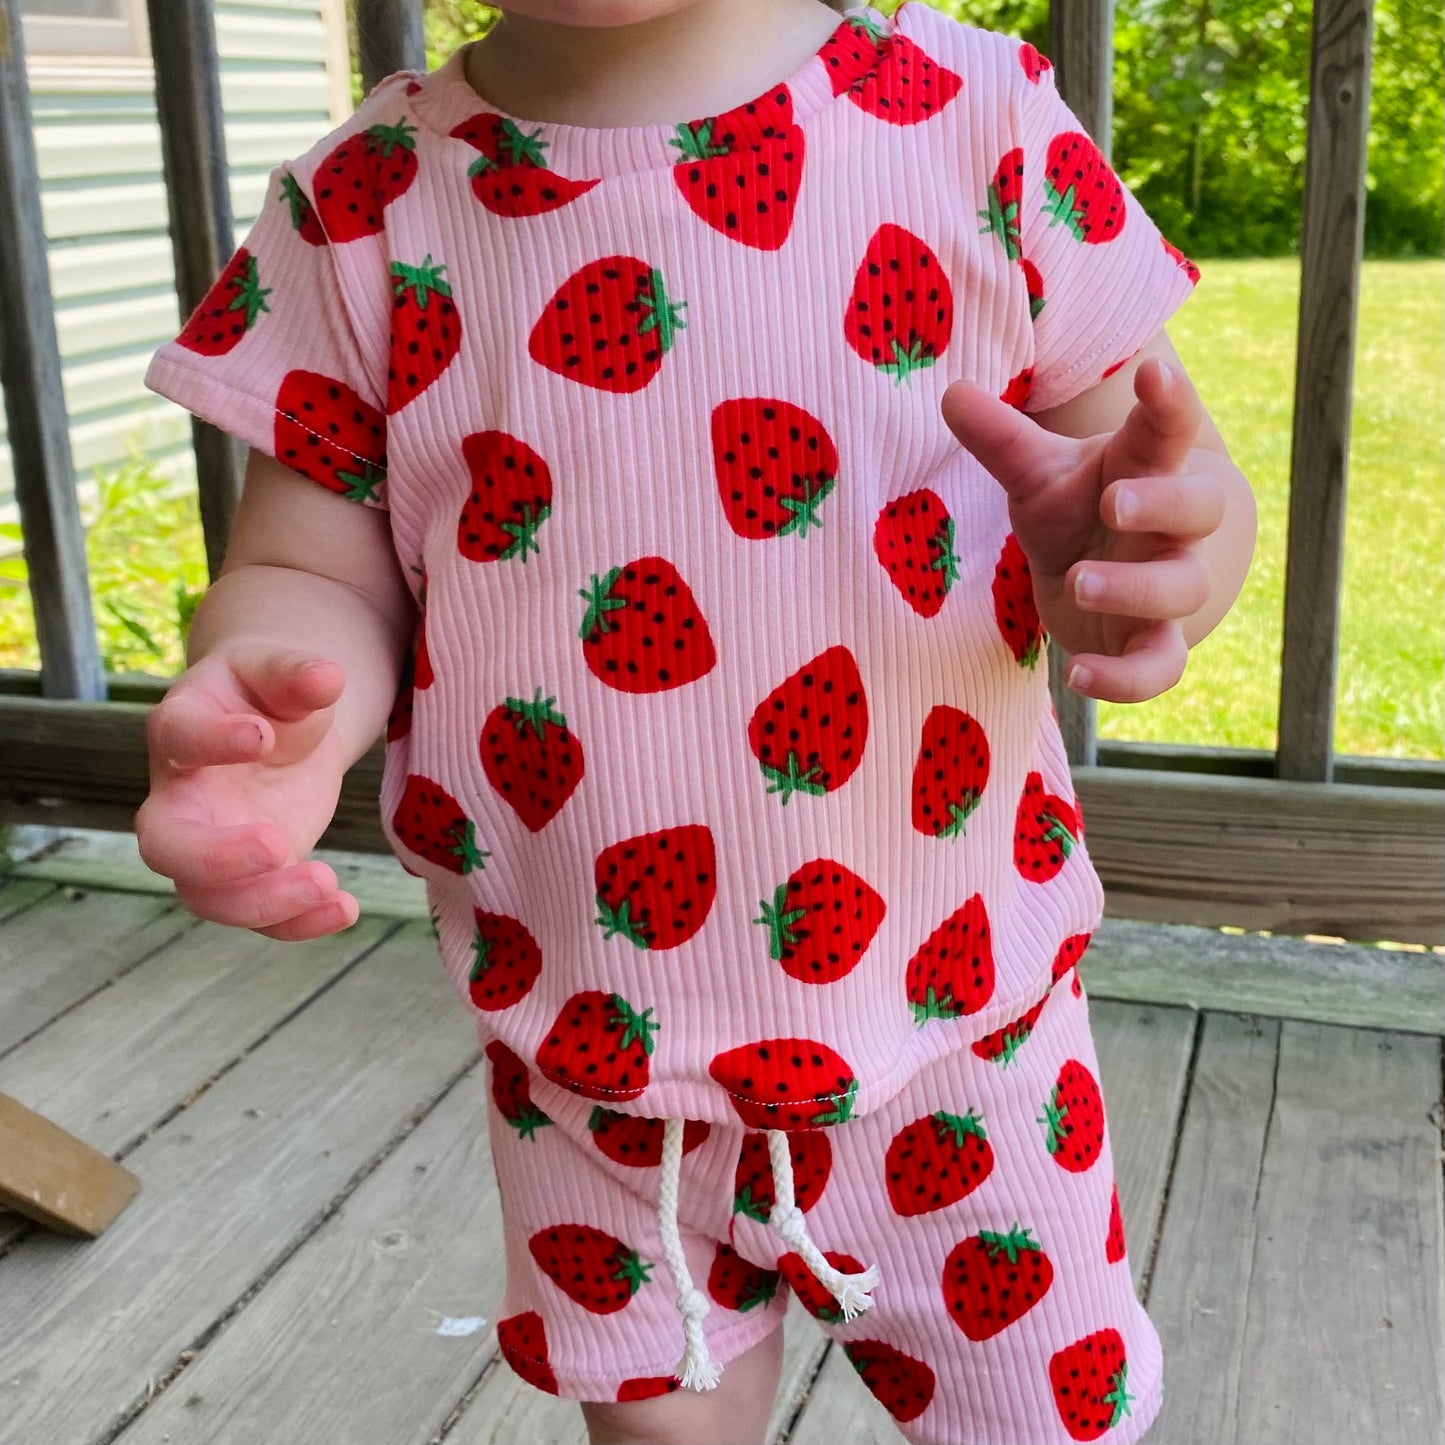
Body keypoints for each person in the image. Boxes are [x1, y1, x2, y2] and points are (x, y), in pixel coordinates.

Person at [137, 2, 1256, 1441]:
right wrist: (275, 711)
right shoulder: (357, 205)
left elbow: (1158, 459)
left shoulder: (978, 112)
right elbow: (305, 570)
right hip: (587, 1043)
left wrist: (1154, 555)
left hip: (965, 1022)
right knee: (663, 1422)